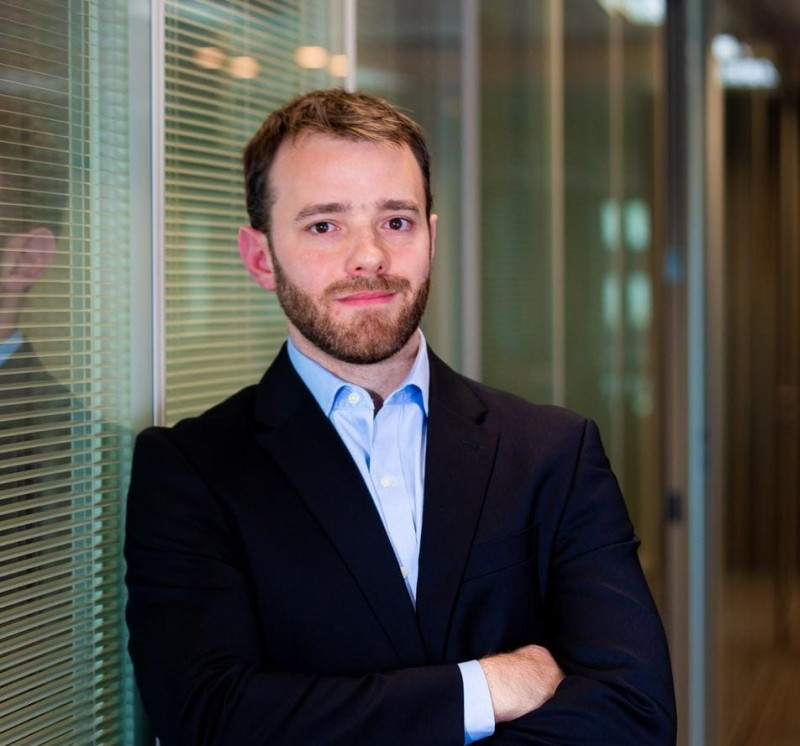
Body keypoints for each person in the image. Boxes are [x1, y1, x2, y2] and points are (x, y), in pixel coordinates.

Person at [125, 89, 676, 745]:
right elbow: (210, 718)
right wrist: (482, 689)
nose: (369, 257)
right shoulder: (193, 472)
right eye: (324, 226)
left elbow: (635, 713)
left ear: (432, 238)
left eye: (395, 221)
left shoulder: (554, 452)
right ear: (260, 257)